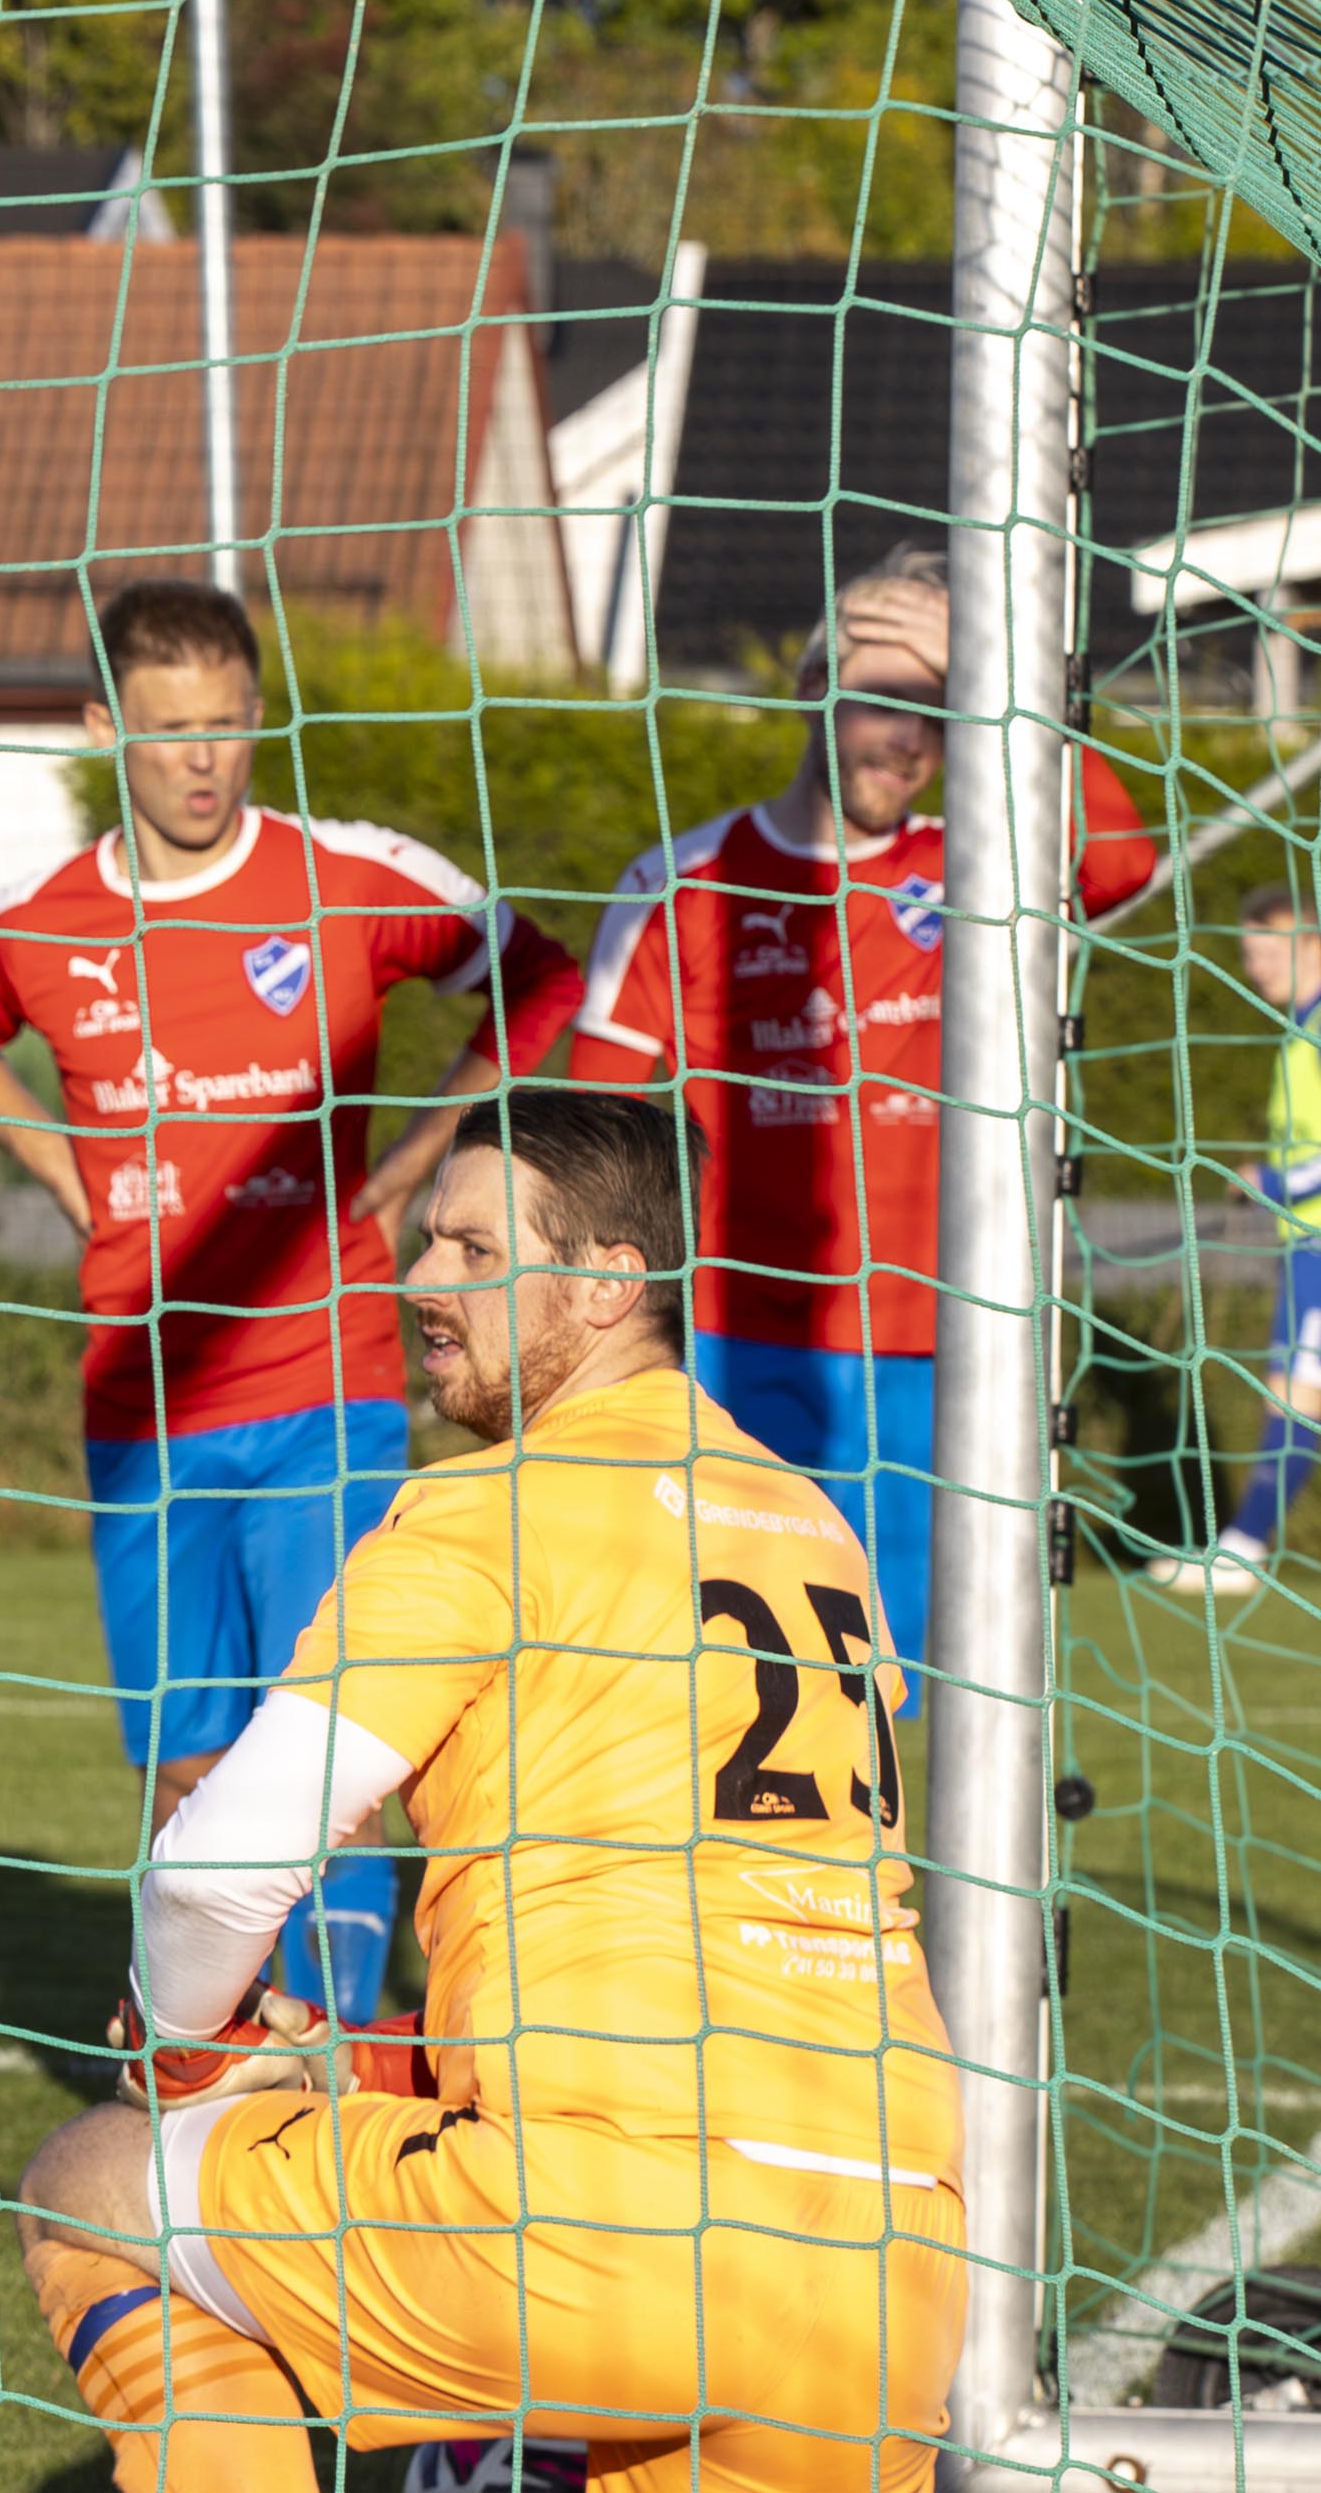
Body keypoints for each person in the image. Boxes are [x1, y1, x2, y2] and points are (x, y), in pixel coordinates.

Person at [14, 1087, 945, 2493]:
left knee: (92, 2191)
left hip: (616, 2214)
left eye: (467, 1243)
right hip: (883, 2250)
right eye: (422, 1235)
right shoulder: (817, 1532)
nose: (417, 1271)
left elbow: (224, 1856)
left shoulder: (483, 1513)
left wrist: (186, 2040)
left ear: (605, 1282)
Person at [0, 581, 582, 2015]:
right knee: (191, 1760)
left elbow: (538, 980)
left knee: (331, 1746)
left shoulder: (349, 877)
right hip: (140, 1400)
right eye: (168, 733)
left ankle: (336, 2048)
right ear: (106, 730)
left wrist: (417, 1164)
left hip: (321, 1385)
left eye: (227, 726)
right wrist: (62, 1170)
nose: (203, 760)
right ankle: (207, 2053)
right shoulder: (37, 921)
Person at [557, 545, 1160, 1689]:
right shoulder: (677, 886)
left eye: (939, 707)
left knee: (899, 1698)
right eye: (885, 695)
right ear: (809, 685)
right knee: (721, 1688)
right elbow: (590, 1147)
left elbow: (1119, 861)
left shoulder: (975, 874)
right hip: (726, 1350)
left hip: (938, 1349)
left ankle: (875, 1882)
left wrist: (994, 674)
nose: (906, 737)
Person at [1149, 878, 1321, 1594]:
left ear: (1310, 942)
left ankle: (1243, 1547)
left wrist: (1277, 1184)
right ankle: (1242, 1544)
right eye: (1249, 953)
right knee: (1291, 1390)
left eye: (1267, 950)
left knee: (1294, 1392)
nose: (1256, 967)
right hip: (1306, 1244)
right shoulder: (1301, 1026)